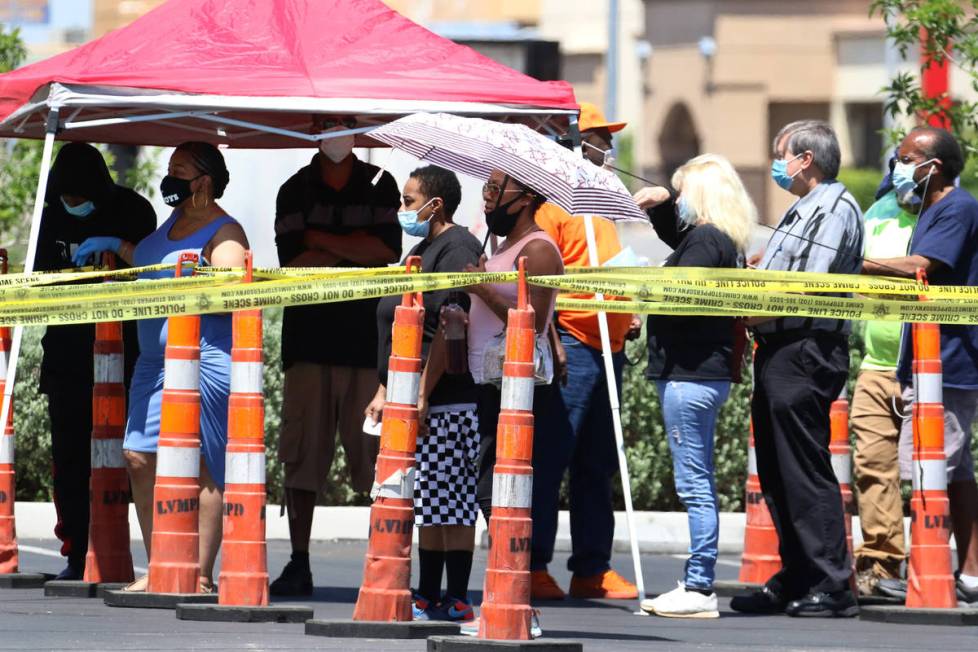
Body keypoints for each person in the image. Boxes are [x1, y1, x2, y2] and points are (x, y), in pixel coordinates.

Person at [77, 141, 249, 592]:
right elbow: (154, 262)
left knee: (206, 464)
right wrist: (116, 245)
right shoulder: (174, 221)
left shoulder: (226, 233)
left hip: (205, 359)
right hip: (154, 361)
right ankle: (161, 567)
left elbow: (230, 288)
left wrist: (200, 279)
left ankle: (201, 573)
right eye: (169, 168)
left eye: (180, 170)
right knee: (137, 455)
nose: (169, 178)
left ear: (204, 182)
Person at [730, 120, 863, 618]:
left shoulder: (834, 207)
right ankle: (798, 572)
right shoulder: (802, 209)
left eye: (780, 154)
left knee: (803, 467)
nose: (777, 163)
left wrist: (750, 303)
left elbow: (807, 283)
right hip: (779, 345)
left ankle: (831, 583)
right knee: (776, 470)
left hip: (806, 347)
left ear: (805, 159)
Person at [271, 115, 401, 595]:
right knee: (302, 454)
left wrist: (320, 239)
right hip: (307, 343)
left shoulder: (382, 185)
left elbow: (384, 252)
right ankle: (299, 561)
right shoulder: (293, 189)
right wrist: (353, 250)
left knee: (375, 457)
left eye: (343, 124)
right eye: (327, 124)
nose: (336, 134)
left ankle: (382, 565)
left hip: (367, 345)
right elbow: (293, 261)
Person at [636, 154, 756, 618]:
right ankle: (698, 581)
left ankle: (700, 584)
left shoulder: (707, 239)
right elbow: (677, 238)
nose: (679, 201)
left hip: (690, 376)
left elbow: (682, 296)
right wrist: (664, 202)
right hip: (701, 374)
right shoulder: (718, 238)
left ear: (701, 196)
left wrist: (646, 286)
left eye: (684, 193)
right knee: (697, 479)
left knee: (694, 484)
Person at [862, 126, 978, 604]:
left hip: (950, 363)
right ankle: (968, 573)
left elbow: (922, 267)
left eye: (907, 157)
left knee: (932, 469)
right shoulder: (929, 208)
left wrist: (863, 263)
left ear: (934, 166)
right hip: (925, 361)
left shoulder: (958, 207)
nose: (898, 164)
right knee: (955, 469)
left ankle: (931, 570)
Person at [528, 102, 640, 601]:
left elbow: (612, 267)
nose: (608, 147)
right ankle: (531, 564)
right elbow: (542, 280)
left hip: (610, 346)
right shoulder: (551, 206)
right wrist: (552, 340)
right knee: (552, 457)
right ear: (574, 142)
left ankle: (591, 567)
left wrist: (628, 310)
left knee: (597, 464)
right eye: (600, 137)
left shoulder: (602, 202)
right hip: (573, 342)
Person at [366, 166, 484, 622]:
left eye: (410, 200)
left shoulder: (458, 249)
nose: (402, 209)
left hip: (446, 397)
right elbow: (402, 324)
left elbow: (447, 325)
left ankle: (455, 595)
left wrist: (421, 391)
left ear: (436, 205)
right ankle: (428, 593)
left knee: (450, 499)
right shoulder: (422, 248)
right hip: (410, 393)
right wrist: (384, 387)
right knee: (429, 499)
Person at [34, 143, 156, 580]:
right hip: (66, 355)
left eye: (77, 197)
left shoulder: (133, 211)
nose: (72, 205)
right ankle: (76, 551)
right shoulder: (48, 216)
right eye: (65, 198)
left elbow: (150, 270)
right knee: (69, 458)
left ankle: (117, 546)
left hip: (123, 355)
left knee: (125, 456)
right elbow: (39, 280)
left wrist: (112, 250)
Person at [849, 159, 916, 598]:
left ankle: (943, 566)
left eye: (912, 163)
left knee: (937, 474)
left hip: (929, 365)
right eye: (898, 163)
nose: (903, 172)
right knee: (872, 466)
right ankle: (882, 563)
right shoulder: (876, 212)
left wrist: (874, 269)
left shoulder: (944, 215)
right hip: (876, 362)